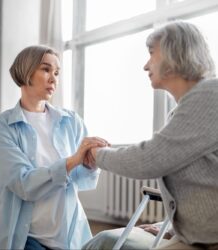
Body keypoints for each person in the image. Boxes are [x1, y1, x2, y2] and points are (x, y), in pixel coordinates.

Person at [84, 20, 218, 250]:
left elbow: (148, 159)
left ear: (174, 53)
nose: (146, 66)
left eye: (151, 54)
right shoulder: (187, 106)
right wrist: (174, 228)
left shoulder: (208, 96)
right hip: (197, 235)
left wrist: (96, 154)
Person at [0, 45, 108, 250]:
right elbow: (23, 184)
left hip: (69, 236)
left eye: (57, 72)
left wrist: (89, 164)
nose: (54, 78)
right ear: (26, 72)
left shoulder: (71, 121)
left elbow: (82, 181)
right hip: (27, 238)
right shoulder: (1, 127)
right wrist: (71, 161)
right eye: (46, 69)